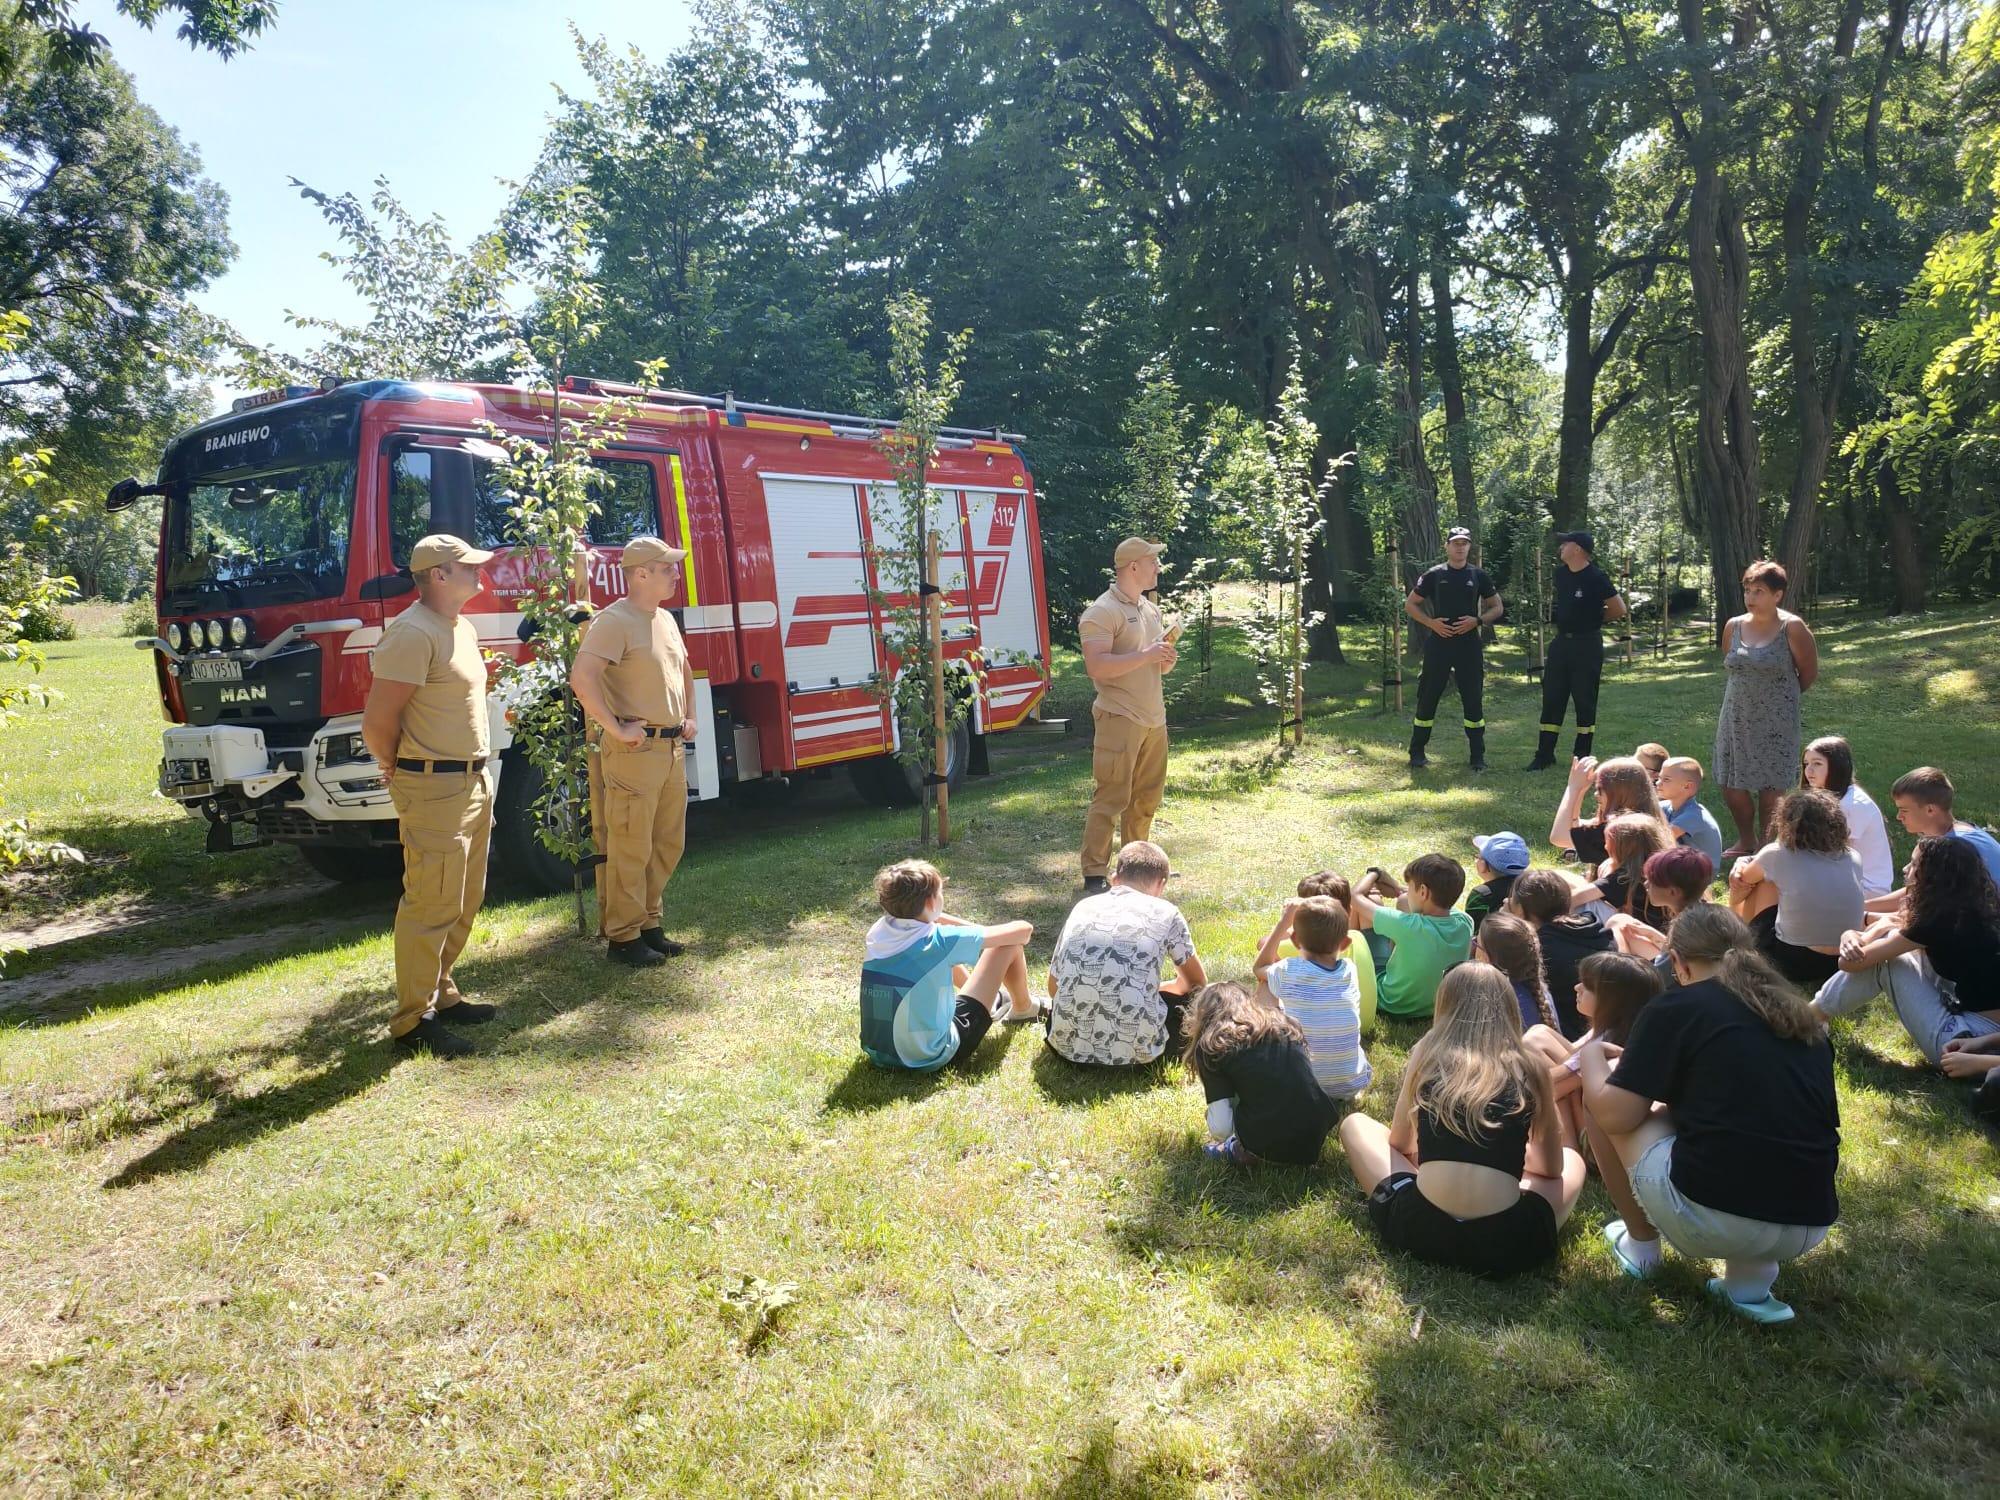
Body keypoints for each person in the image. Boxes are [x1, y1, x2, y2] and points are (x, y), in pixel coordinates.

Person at [1579, 906, 1839, 1325]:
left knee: (1601, 1096)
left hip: (1715, 1216)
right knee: (1748, 1131)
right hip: (1810, 1219)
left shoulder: (1677, 1006)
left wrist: (1591, 1058)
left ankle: (1641, 1246)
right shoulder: (1801, 1016)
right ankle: (1750, 1283)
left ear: (1678, 962)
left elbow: (1615, 1117)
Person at [1338, 963, 1586, 1278]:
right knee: (1571, 1159)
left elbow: (1399, 1143)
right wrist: (1502, 1157)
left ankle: (1441, 1180)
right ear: (1508, 1008)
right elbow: (1552, 1169)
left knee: (1355, 1124)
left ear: (1445, 1005)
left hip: (1417, 1231)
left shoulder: (1428, 1052)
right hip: (1511, 1245)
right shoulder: (1532, 1065)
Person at [361, 534, 500, 1058]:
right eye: (469, 566)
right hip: (433, 786)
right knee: (431, 901)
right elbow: (378, 722)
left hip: (471, 780)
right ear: (439, 574)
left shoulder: (458, 626)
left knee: (464, 897)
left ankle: (442, 992)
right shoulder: (411, 633)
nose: (479, 572)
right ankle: (412, 1021)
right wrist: (400, 768)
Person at [569, 536, 698, 968]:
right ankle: (623, 938)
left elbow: (684, 671)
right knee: (631, 846)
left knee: (667, 843)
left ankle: (648, 924)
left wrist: (690, 716)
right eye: (667, 568)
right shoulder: (614, 621)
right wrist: (615, 728)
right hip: (635, 752)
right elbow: (582, 679)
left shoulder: (664, 620)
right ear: (640, 573)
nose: (675, 574)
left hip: (670, 748)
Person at [1521, 952, 1667, 1263]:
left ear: (1611, 1002)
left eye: (1587, 986)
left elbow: (1543, 1086)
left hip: (1601, 1144)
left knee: (1546, 1081)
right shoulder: (1619, 1028)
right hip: (1622, 1130)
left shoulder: (1608, 1045)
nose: (1576, 988)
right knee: (1539, 1035)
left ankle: (1568, 1151)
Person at [1814, 834, 2000, 1067]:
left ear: (1933, 877)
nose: (1905, 869)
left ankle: (1810, 1016)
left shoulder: (1936, 921)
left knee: (1888, 961)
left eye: (1913, 864)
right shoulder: (1969, 909)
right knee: (1894, 946)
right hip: (1977, 1028)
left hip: (1966, 1041)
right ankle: (1813, 1014)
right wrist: (1851, 934)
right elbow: (1892, 925)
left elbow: (1850, 962)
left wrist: (1868, 932)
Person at [860, 860, 1038, 1072]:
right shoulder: (939, 940)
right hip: (933, 1054)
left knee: (934, 962)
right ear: (930, 903)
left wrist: (936, 917)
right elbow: (1024, 931)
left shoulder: (878, 932)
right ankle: (1023, 1009)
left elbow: (928, 924)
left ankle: (991, 1001)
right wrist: (980, 931)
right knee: (1008, 946)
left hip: (880, 1053)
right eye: (940, 893)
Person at [1045, 840, 1206, 1067]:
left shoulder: (1083, 906)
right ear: (1160, 885)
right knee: (1191, 1002)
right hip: (1139, 1057)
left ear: (1114, 878)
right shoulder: (1167, 912)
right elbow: (1197, 984)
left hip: (1066, 1049)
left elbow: (1054, 987)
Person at [1079, 538, 1176, 895]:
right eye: (1152, 561)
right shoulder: (1102, 612)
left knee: (1145, 800)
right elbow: (1097, 666)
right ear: (1133, 567)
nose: (1158, 567)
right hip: (1119, 717)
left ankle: (1137, 871)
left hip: (1154, 719)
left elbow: (1154, 664)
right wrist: (1147, 655)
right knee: (1111, 798)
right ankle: (1094, 875)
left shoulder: (1150, 609)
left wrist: (1163, 660)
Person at [1714, 560, 1819, 858]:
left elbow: (1808, 673)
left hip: (1777, 719)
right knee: (1730, 782)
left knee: (1771, 785)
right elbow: (1732, 664)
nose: (1750, 597)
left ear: (1778, 594)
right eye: (1747, 590)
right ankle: (1746, 840)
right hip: (1735, 716)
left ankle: (1767, 847)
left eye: (1759, 591)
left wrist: (1779, 702)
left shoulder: (1793, 628)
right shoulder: (1733, 626)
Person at [1183, 980, 1339, 1166]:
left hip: (1267, 1142)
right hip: (1316, 1131)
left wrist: (1212, 1116)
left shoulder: (1212, 1044)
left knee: (1227, 1132)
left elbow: (1222, 1128)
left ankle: (1240, 1152)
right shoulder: (1284, 1024)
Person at [1728, 789, 1864, 989]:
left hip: (1790, 963)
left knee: (1763, 882)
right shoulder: (1853, 856)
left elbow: (1743, 878)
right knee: (1772, 876)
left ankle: (1740, 940)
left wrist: (1740, 865)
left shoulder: (1777, 855)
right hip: (1840, 962)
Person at [1253, 895, 1371, 1102]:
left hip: (1301, 1087)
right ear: (1345, 943)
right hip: (1350, 1085)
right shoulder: (1349, 970)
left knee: (1265, 984)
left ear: (1295, 940)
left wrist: (1284, 922)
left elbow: (1259, 967)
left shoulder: (1288, 970)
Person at [1406, 527, 1504, 772]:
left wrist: (1478, 620)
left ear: (1469, 547)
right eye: (1456, 543)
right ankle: (1417, 752)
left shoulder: (1478, 575)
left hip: (1468, 645)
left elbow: (1497, 606)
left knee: (1472, 699)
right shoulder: (1434, 575)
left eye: (1465, 543)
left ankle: (1477, 757)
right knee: (1428, 697)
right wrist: (1430, 623)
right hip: (1439, 644)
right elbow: (1411, 604)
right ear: (1447, 546)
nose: (1460, 547)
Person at [1526, 531, 1626, 770]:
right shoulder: (1561, 575)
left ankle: (1582, 756)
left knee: (1584, 698)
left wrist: (1593, 621)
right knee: (1552, 697)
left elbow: (1619, 608)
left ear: (1578, 549)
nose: (1561, 547)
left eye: (1566, 543)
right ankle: (1544, 755)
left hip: (1587, 644)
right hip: (1562, 643)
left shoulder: (1596, 577)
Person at [1350, 854, 1474, 1021]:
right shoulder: (1466, 922)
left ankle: (1346, 968)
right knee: (1401, 902)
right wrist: (1399, 891)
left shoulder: (1408, 926)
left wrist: (1376, 873)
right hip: (1437, 1007)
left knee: (1370, 899)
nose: (1407, 892)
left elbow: (1355, 896)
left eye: (1410, 888)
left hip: (1392, 1004)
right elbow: (1412, 903)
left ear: (1423, 891)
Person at [1866, 766, 2000, 910]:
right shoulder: (1961, 832)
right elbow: (1917, 892)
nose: (1899, 817)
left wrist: (1861, 910)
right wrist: (1863, 907)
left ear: (1930, 810)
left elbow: (1921, 905)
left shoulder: (1952, 850)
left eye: (1904, 810)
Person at [1508, 869, 1614, 1038]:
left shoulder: (1538, 949)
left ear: (1520, 909)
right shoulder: (1594, 927)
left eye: (1512, 899)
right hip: (1607, 1030)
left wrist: (1506, 922)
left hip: (1567, 1038)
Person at [1799, 737, 1893, 899]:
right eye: (1806, 764)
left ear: (1836, 767)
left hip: (1864, 887)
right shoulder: (1827, 798)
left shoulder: (1852, 805)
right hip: (1838, 876)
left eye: (1817, 763)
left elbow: (1825, 854)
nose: (1809, 771)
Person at [1606, 845, 1715, 971]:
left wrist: (1622, 955)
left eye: (1652, 881)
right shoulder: (1701, 913)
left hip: (1670, 982)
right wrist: (1653, 935)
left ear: (1673, 892)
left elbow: (1663, 977)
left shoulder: (1685, 928)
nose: (1646, 884)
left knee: (1616, 933)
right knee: (1619, 920)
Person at [1548, 755, 1668, 869]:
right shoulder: (1644, 818)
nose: (1596, 795)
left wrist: (1573, 788)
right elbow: (1575, 824)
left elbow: (1559, 837)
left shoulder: (1622, 830)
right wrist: (1582, 790)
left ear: (1619, 792)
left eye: (1600, 789)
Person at [1298, 871, 1378, 1030]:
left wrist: (1286, 922)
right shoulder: (1356, 938)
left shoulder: (1294, 944)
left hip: (1316, 1027)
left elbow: (1262, 946)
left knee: (1266, 979)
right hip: (1363, 1022)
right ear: (1349, 910)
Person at [1573, 813, 1674, 928]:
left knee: (1583, 901)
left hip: (1634, 933)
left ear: (1624, 849)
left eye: (1608, 843)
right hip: (1660, 929)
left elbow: (1575, 897)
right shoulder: (1661, 867)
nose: (1605, 847)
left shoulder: (1624, 878)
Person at [1474, 912, 1559, 1033]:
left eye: (1476, 943)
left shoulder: (1496, 1004)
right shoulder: (1538, 991)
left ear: (1486, 957)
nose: (1473, 946)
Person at [1657, 755, 1725, 871]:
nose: (1658, 783)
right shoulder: (1665, 806)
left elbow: (1662, 839)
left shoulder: (1695, 816)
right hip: (1684, 861)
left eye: (1666, 779)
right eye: (1659, 778)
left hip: (1701, 871)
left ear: (1687, 786)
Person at [1464, 832, 1530, 936]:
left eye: (1478, 857)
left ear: (1483, 865)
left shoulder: (1481, 895)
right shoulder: (1531, 889)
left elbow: (1472, 934)